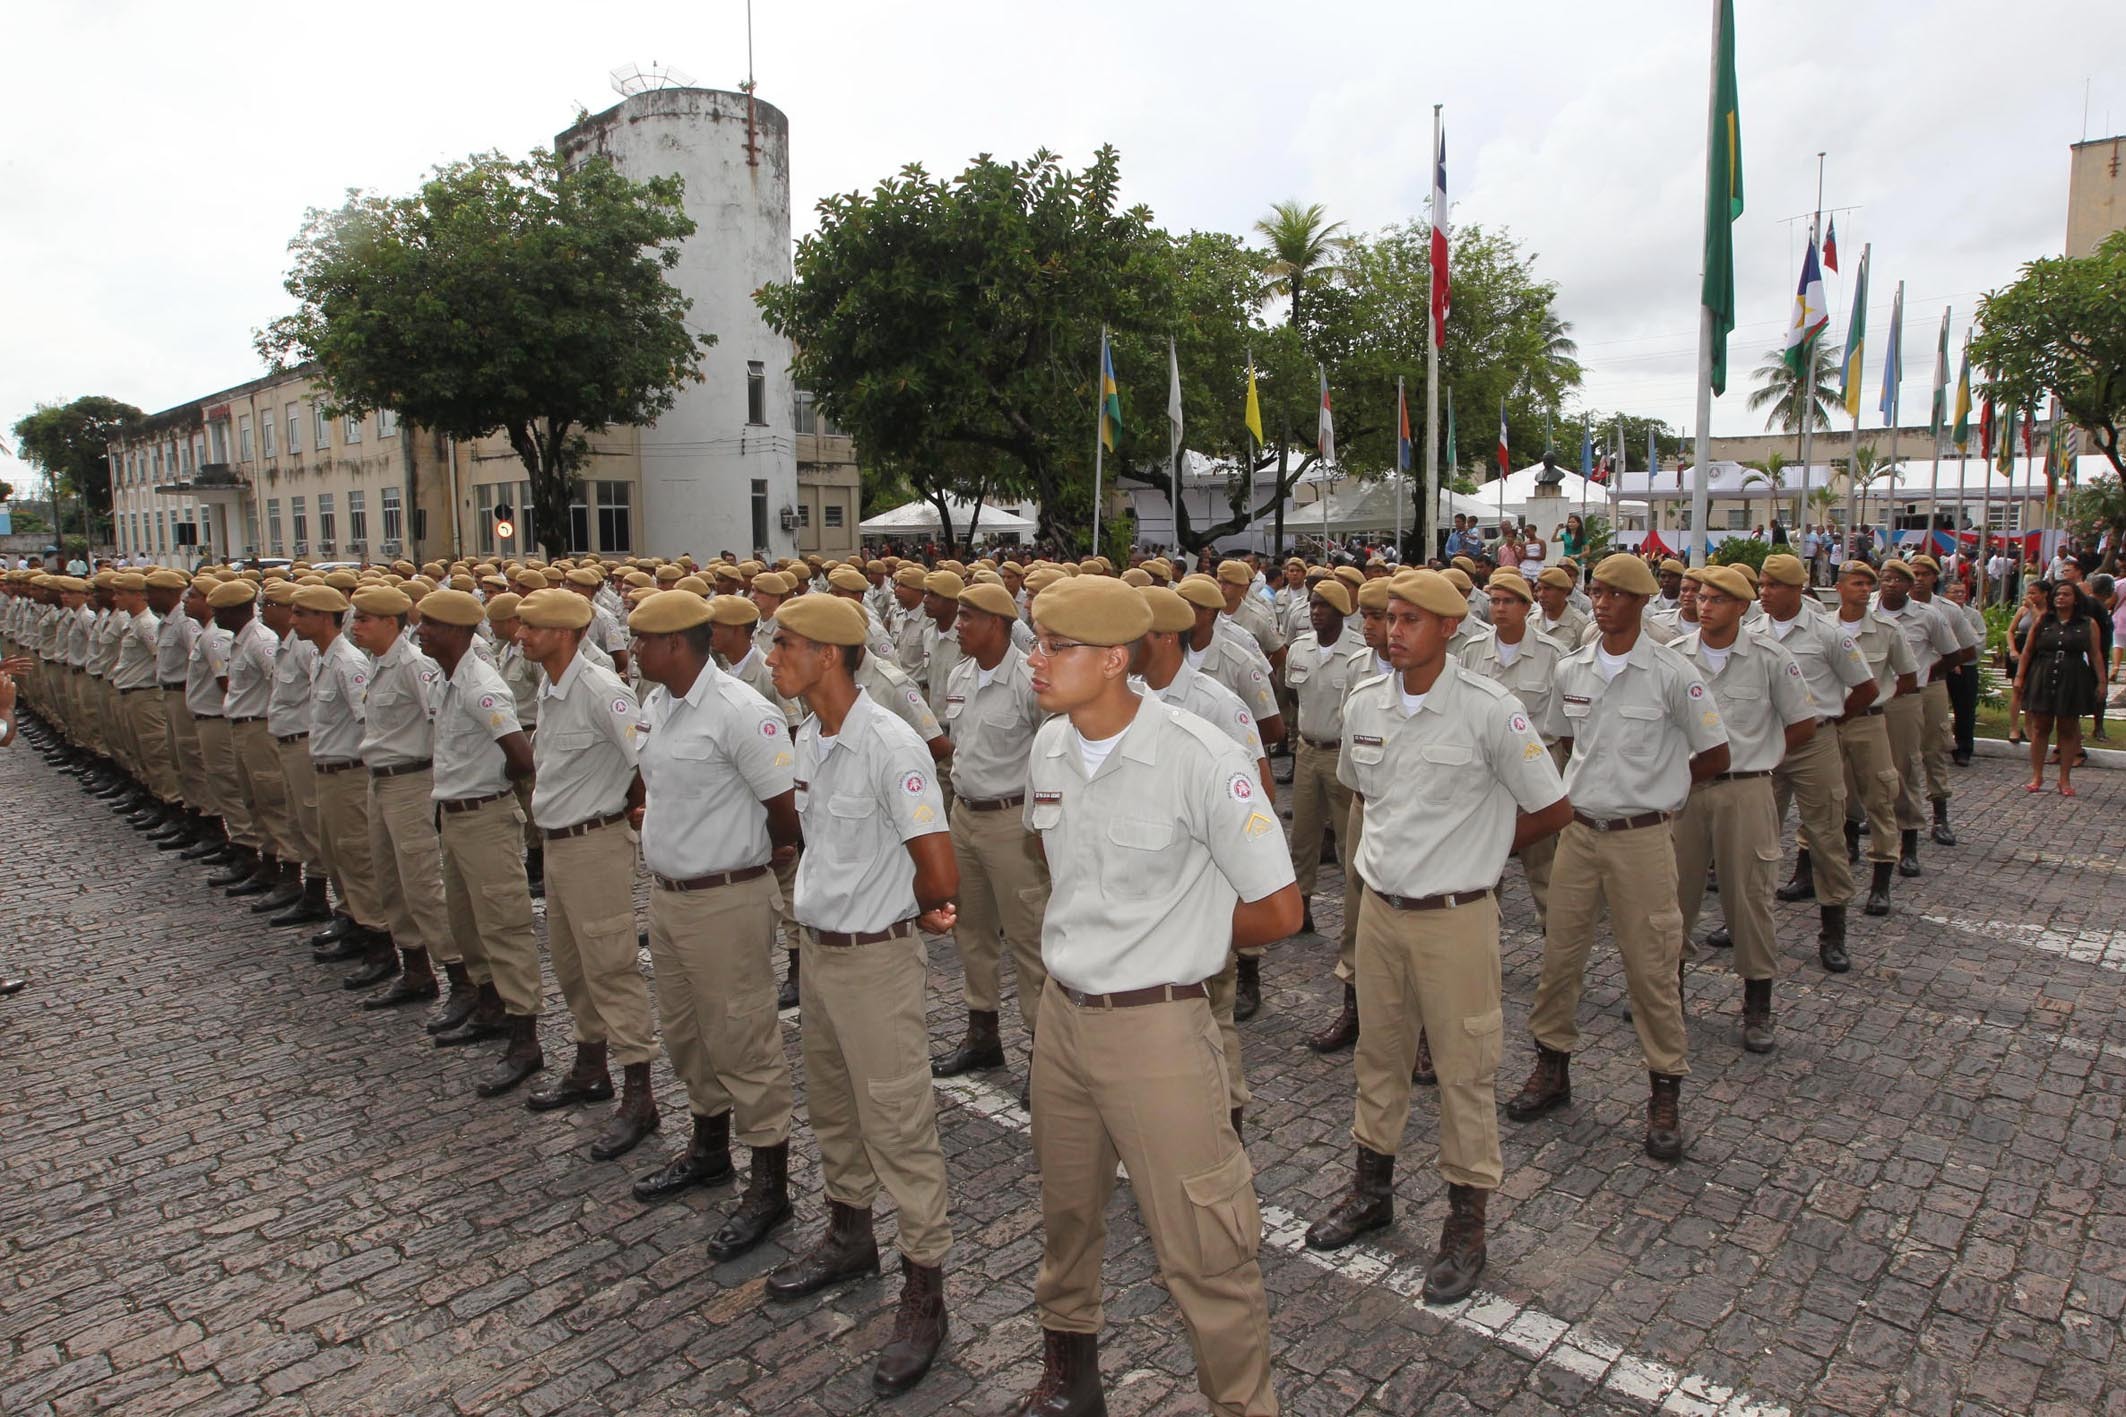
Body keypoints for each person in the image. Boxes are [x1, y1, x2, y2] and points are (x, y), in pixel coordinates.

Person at [1010, 575, 1299, 1417]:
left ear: (1111, 659)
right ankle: (1072, 1377)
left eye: (1055, 645)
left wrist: (1190, 933)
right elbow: (1054, 862)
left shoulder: (1197, 755)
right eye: (1040, 639)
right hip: (1063, 1018)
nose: (1038, 658)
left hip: (1159, 1031)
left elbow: (1279, 907)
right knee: (1068, 1215)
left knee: (1206, 1249)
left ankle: (1244, 1405)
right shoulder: (1050, 747)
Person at [1305, 568, 1568, 1301]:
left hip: (1456, 916)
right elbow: (1365, 796)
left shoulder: (1489, 708)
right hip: (1382, 911)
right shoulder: (1364, 703)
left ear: (1451, 628)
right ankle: (1371, 1188)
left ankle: (1466, 1220)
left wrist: (1481, 849)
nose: (1395, 630)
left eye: (1413, 619)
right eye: (1390, 617)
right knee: (1379, 1057)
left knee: (1464, 1069)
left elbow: (1550, 805)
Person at [764, 593, 958, 1398]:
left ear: (830, 655)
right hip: (822, 955)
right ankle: (849, 1235)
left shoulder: (888, 741)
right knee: (836, 1110)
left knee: (899, 1122)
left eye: (786, 643)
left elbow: (940, 870)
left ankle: (926, 1290)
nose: (773, 655)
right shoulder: (813, 736)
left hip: (876, 960)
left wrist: (908, 903)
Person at [1508, 553, 1729, 1161]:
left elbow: (1714, 753)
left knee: (1652, 968)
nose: (1600, 602)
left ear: (1638, 601)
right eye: (1596, 592)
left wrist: (1661, 786)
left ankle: (1664, 1090)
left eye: (1613, 594)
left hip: (1641, 839)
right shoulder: (1572, 669)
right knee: (1560, 957)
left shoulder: (1671, 673)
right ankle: (1552, 1066)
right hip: (1580, 833)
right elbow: (1565, 741)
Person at [626, 591, 802, 1260]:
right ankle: (707, 1147)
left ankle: (770, 1181)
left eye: (645, 639)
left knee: (743, 1038)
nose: (634, 649)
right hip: (670, 898)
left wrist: (768, 853)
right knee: (687, 1032)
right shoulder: (657, 705)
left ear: (677, 644)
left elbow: (784, 812)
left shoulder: (740, 712)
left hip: (726, 896)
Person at [517, 588, 661, 1134]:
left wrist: (632, 804)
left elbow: (645, 759)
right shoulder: (551, 688)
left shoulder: (603, 690)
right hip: (558, 843)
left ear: (564, 633)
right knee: (572, 962)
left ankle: (639, 1091)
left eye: (532, 626)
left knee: (611, 965)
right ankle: (590, 1064)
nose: (520, 634)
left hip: (594, 843)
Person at [1669, 565, 1816, 1051]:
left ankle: (1758, 1004)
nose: (1703, 606)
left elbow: (1801, 723)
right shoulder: (1675, 659)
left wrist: (1763, 756)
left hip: (1746, 789)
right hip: (1687, 790)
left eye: (1716, 600)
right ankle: (1670, 992)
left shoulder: (1771, 658)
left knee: (1750, 897)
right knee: (1674, 897)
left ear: (1741, 607)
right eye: (1702, 598)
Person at [930, 579, 1051, 1091]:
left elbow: (1052, 755)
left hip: (1011, 823)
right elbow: (956, 743)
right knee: (971, 932)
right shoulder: (959, 675)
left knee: (1028, 939)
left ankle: (1044, 1057)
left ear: (998, 624)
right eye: (958, 616)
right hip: (965, 816)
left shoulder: (1029, 680)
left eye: (968, 617)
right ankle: (983, 1034)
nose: (959, 625)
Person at [1281, 577, 1365, 1051]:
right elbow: (1294, 698)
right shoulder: (1300, 650)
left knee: (1352, 844)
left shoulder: (1354, 653)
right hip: (1307, 750)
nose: (1315, 612)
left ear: (1341, 612)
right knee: (1304, 836)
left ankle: (1356, 924)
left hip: (1342, 754)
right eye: (1312, 605)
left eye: (1323, 607)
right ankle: (1303, 907)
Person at [2016, 580, 2103, 796]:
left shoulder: (2087, 623)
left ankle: (2064, 779)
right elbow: (2027, 651)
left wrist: (2102, 681)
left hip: (2073, 676)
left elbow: (2095, 654)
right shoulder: (2043, 620)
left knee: (2068, 727)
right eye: (2057, 594)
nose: (2060, 598)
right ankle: (2037, 774)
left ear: (2075, 599)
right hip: (2043, 672)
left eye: (2065, 594)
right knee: (2040, 726)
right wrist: (2020, 676)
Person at [2006, 580, 2046, 743]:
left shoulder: (2046, 612)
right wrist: (2013, 649)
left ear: (2044, 594)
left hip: (2037, 651)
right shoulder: (2022, 610)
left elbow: (2041, 625)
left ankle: (2028, 726)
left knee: (2032, 691)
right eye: (2028, 593)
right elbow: (2010, 630)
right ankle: (2013, 727)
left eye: (2033, 593)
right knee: (2017, 690)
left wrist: (2033, 608)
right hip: (2020, 647)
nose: (2030, 596)